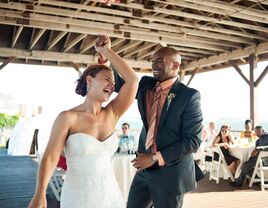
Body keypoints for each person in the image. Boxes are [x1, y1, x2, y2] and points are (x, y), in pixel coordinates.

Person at [28, 34, 139, 208]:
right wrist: (40, 193)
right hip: (78, 198)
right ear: (89, 80)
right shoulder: (67, 118)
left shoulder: (112, 113)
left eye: (113, 81)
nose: (112, 85)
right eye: (106, 79)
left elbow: (132, 80)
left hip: (111, 196)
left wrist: (106, 51)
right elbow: (50, 157)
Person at [112, 46, 203, 208]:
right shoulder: (146, 85)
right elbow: (121, 85)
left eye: (159, 61)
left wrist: (154, 158)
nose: (154, 65)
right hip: (144, 171)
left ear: (175, 66)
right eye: (153, 61)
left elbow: (193, 141)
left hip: (170, 173)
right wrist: (107, 59)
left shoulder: (189, 96)